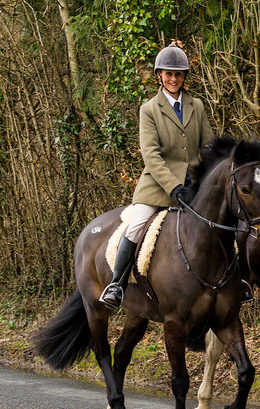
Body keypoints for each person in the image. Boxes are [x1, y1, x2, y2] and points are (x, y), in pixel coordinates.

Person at [99, 42, 214, 309]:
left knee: (219, 219)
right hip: (158, 186)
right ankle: (117, 284)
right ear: (159, 75)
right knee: (136, 224)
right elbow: (151, 155)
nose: (173, 79)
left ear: (185, 77)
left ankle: (236, 281)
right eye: (168, 74)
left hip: (193, 184)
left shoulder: (196, 106)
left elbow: (209, 146)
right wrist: (174, 187)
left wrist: (205, 178)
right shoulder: (149, 109)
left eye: (178, 74)